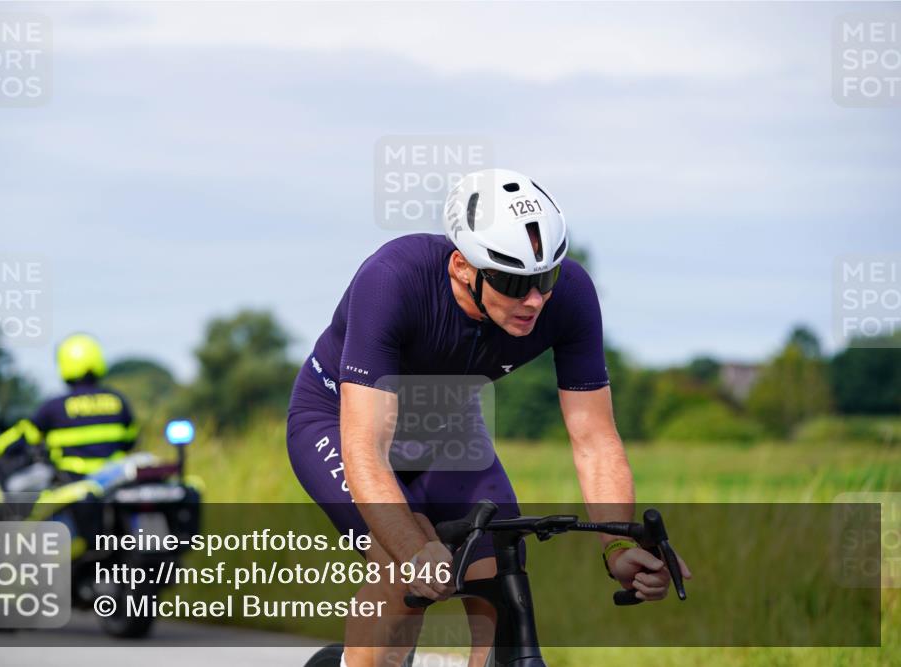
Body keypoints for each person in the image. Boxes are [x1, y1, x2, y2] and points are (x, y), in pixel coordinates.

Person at [287, 169, 691, 667]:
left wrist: (617, 545)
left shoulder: (571, 297)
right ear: (462, 266)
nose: (535, 300)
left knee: (500, 566)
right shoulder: (392, 278)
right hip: (336, 420)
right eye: (514, 282)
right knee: (403, 564)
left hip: (446, 430)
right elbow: (365, 448)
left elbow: (595, 439)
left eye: (546, 277)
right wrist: (413, 550)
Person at [0, 333, 139, 483]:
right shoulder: (118, 401)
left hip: (72, 484)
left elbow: (20, 437)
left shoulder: (54, 407)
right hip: (114, 481)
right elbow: (130, 441)